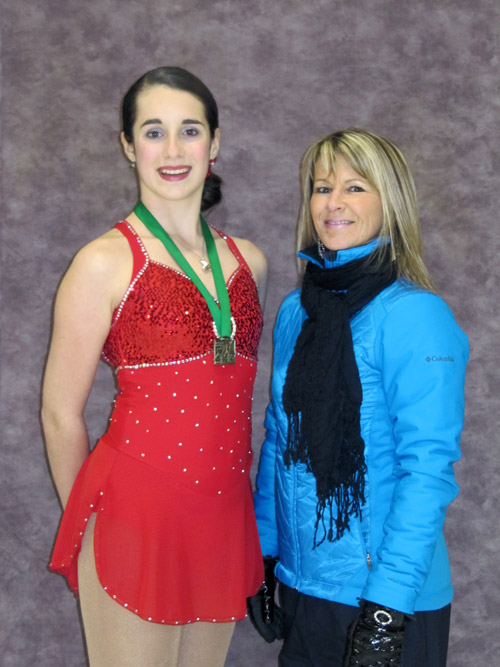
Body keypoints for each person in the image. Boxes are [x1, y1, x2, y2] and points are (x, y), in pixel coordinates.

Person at [42, 66, 268, 667]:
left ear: (215, 143)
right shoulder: (102, 262)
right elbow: (61, 414)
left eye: (189, 131)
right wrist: (86, 522)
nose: (173, 150)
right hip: (132, 518)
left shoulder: (249, 262)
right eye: (153, 131)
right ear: (127, 145)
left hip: (223, 517)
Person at [249, 129, 468, 666]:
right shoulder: (297, 312)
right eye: (322, 188)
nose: (334, 203)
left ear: (389, 201)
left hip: (384, 602)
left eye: (355, 187)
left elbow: (428, 470)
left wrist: (386, 611)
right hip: (303, 587)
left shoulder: (416, 316)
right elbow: (280, 441)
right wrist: (260, 553)